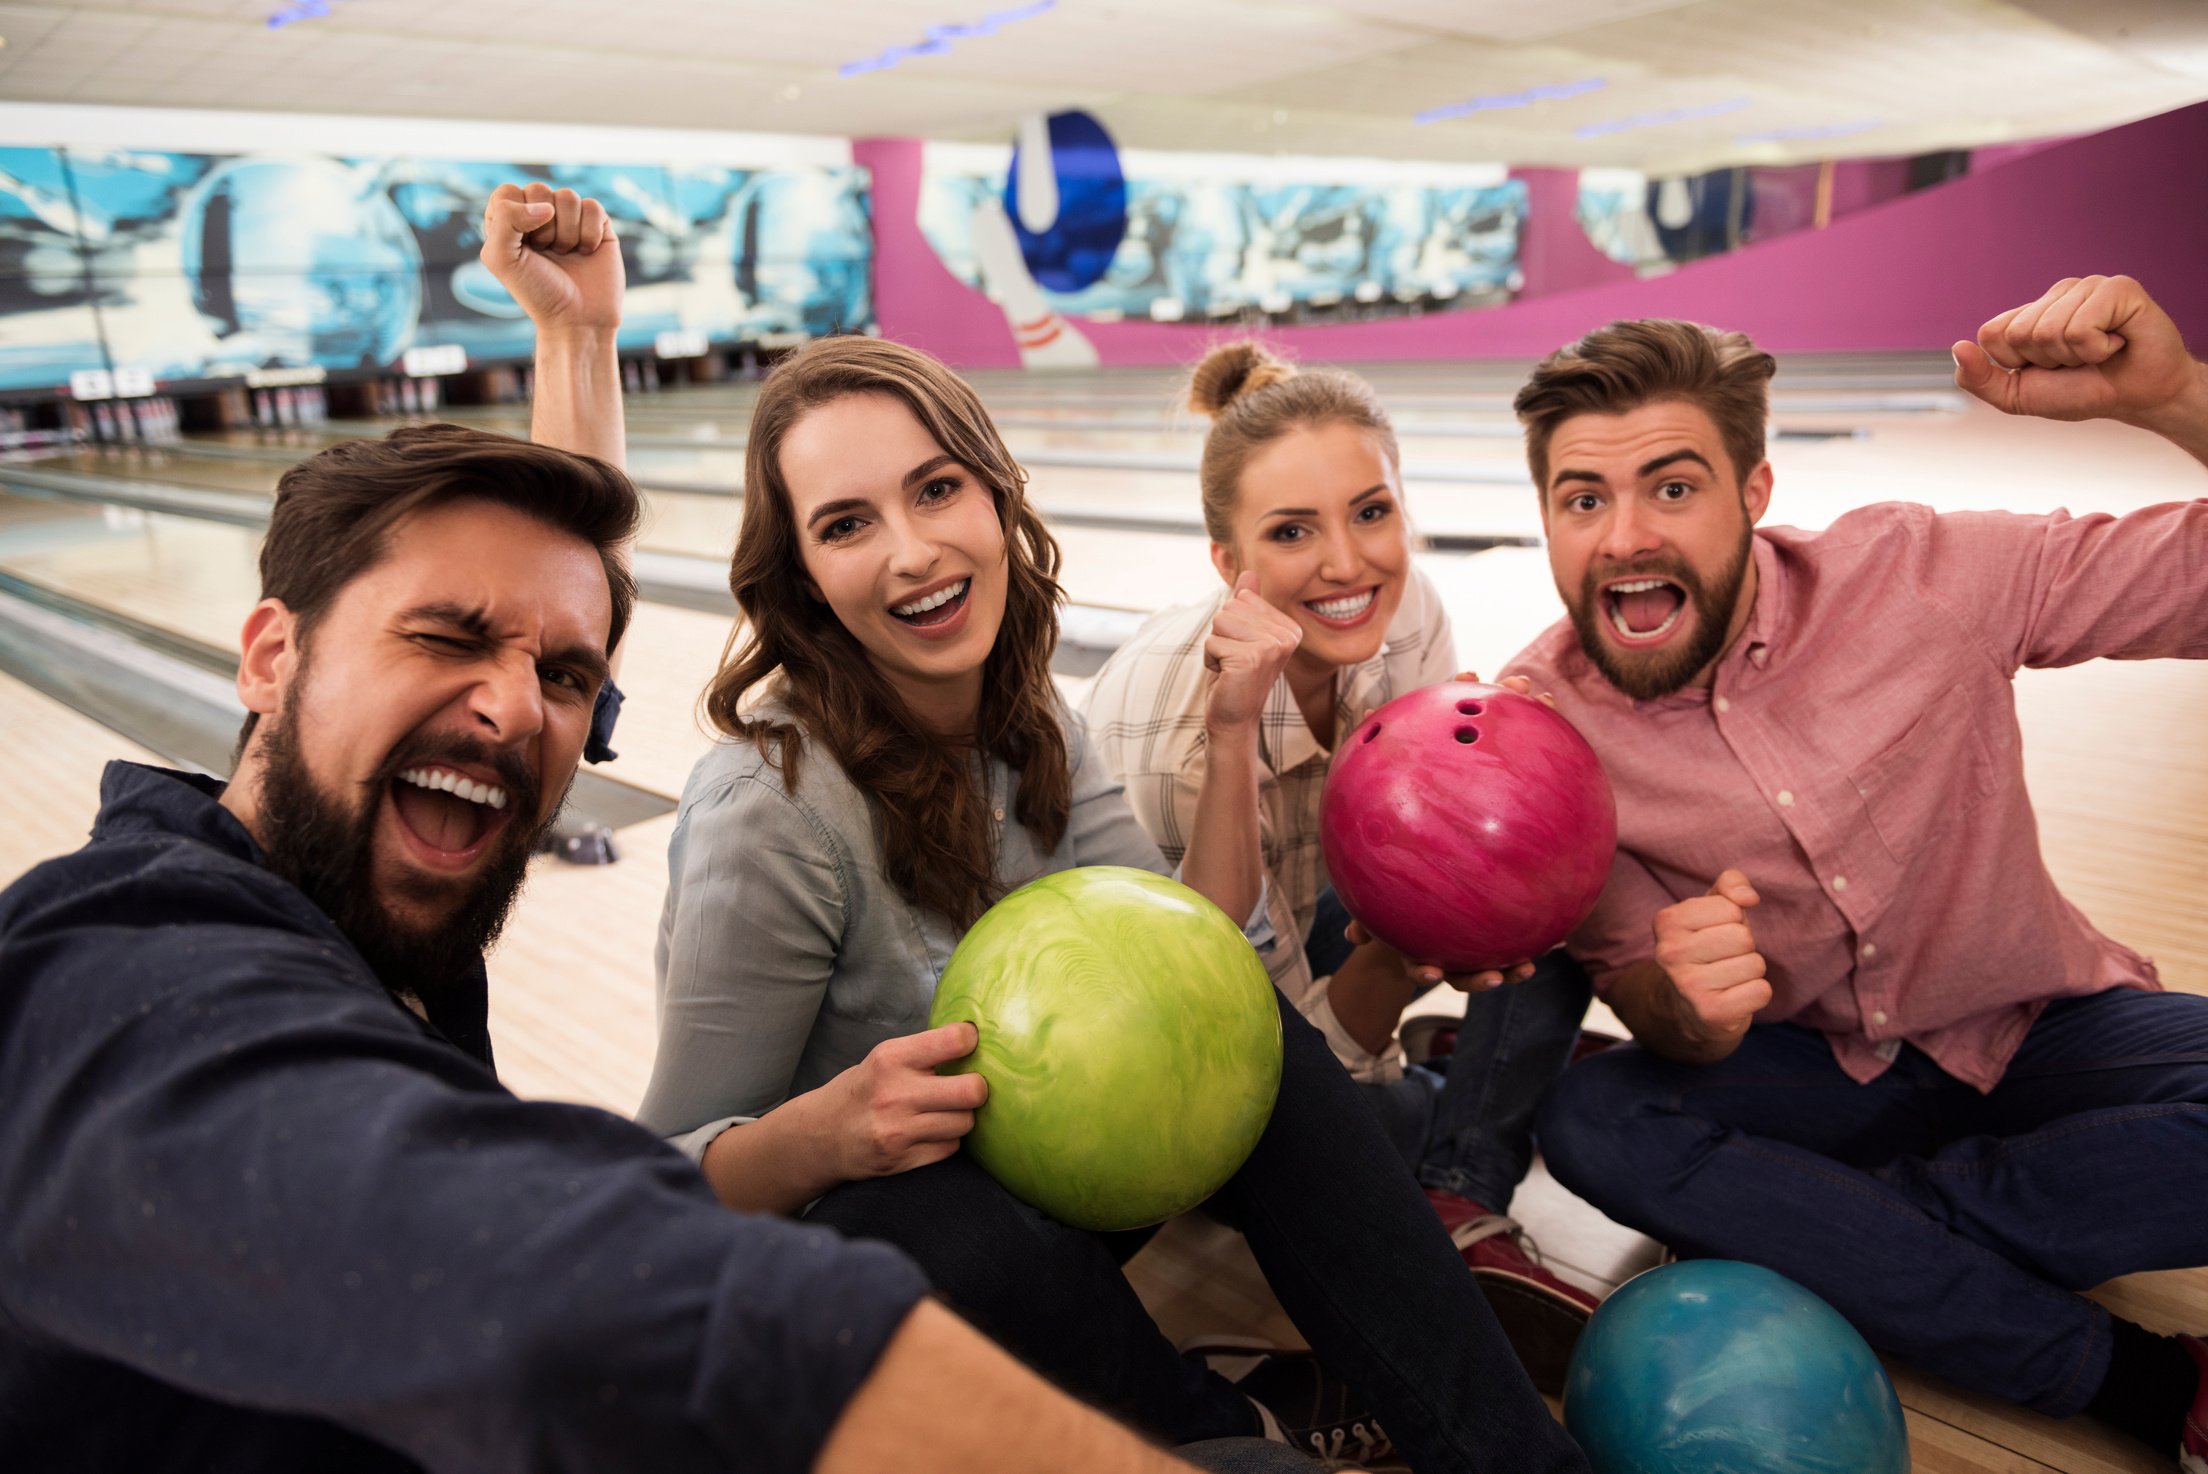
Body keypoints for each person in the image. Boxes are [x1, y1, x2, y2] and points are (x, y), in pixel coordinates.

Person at [483, 187, 1590, 1474]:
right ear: (803, 576)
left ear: (995, 495)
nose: (911, 552)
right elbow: (674, 1184)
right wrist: (834, 1128)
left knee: (1260, 1039)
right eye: (848, 524)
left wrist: (1237, 732)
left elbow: (1200, 958)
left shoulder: (1034, 723)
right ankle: (1228, 1441)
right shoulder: (769, 805)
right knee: (953, 1214)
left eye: (936, 489)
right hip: (871, 1269)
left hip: (1067, 1188)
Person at [0, 418, 1263, 1474]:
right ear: (273, 656)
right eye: (443, 636)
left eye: (563, 678)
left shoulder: (378, 934)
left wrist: (581, 336)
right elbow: (594, 1292)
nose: (511, 707)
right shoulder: (117, 970)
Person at [1503, 273, 2208, 1467]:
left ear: (1755, 492)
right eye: (1585, 498)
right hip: (1815, 1068)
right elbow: (1651, 1012)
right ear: (1548, 517)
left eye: (1672, 486)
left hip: (2038, 1020)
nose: (1625, 535)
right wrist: (1684, 1004)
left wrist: (2181, 399)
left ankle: (1873, 1229)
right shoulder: (1547, 729)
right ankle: (2134, 1380)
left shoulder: (1924, 573)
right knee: (1596, 1118)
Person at [1083, 341, 1599, 1390]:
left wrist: (1487, 851)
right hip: (1180, 1018)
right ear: (1230, 567)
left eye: (1371, 512)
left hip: (1319, 898)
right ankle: (1454, 1102)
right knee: (1364, 1125)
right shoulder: (1179, 744)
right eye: (1290, 532)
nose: (1347, 563)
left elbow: (1456, 829)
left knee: (1552, 891)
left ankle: (1454, 1111)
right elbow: (1260, 1059)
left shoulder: (1403, 610)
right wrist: (1403, 958)